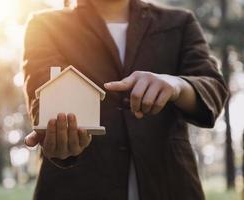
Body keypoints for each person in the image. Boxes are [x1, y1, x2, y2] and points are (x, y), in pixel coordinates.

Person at [23, 0, 229, 199]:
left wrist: (176, 85)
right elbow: (42, 100)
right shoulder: (45, 25)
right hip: (75, 188)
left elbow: (214, 89)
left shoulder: (180, 22)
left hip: (169, 185)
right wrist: (57, 137)